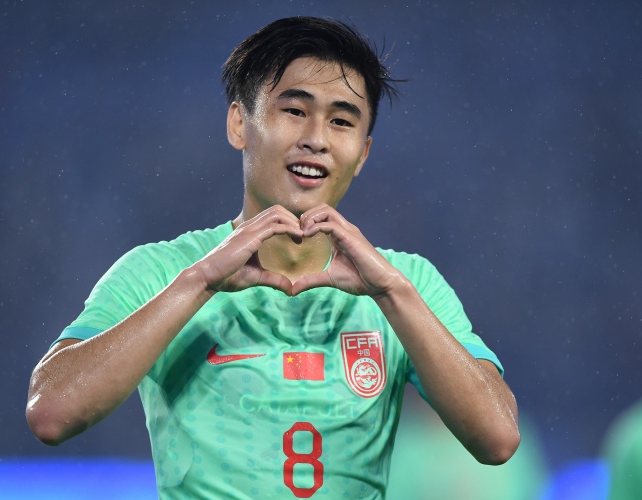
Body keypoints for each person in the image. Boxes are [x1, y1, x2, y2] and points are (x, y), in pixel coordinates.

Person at [26, 16, 520, 498]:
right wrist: (199, 283)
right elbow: (51, 413)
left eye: (341, 121)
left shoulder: (407, 283)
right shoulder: (162, 272)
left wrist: (392, 294)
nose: (317, 139)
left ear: (363, 153)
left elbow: (498, 439)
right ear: (239, 124)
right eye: (295, 111)